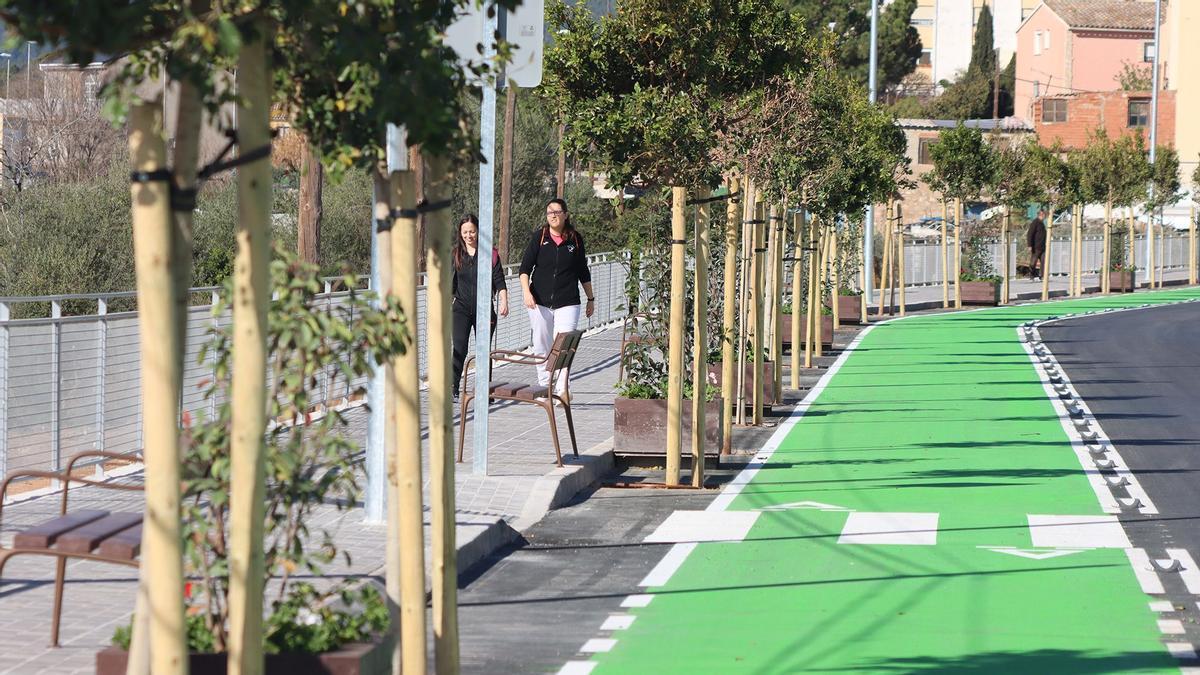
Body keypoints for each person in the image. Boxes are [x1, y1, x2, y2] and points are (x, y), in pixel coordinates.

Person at [519, 198, 594, 401]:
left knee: (563, 343)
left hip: (568, 300)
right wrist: (526, 293)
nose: (552, 215)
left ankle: (562, 389)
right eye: (549, 212)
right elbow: (524, 269)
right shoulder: (539, 237)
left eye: (557, 211)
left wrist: (591, 298)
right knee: (541, 343)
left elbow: (582, 271)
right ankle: (544, 388)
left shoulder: (575, 239)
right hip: (539, 301)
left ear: (566, 215)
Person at [451, 214, 509, 400]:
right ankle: (454, 387)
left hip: (484, 310)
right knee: (459, 348)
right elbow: (449, 285)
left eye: (472, 231)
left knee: (483, 350)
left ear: (478, 231)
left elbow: (499, 279)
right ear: (460, 234)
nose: (469, 235)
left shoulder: (489, 254)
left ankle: (485, 390)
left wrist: (504, 300)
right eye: (465, 232)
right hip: (460, 309)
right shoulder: (456, 254)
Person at [1026, 209, 1047, 280]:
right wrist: (1029, 245)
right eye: (1044, 215)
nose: (1045, 216)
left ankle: (1042, 276)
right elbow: (1030, 234)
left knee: (1044, 261)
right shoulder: (1035, 222)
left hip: (1043, 247)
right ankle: (1032, 275)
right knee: (1033, 262)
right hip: (1036, 246)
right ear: (1041, 215)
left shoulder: (1042, 223)